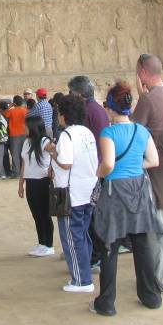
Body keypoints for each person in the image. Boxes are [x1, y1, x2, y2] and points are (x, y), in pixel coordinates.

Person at [91, 81, 162, 316]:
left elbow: (109, 164)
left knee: (109, 247)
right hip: (139, 189)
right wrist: (133, 166)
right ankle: (151, 296)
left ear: (111, 108)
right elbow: (153, 161)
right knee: (142, 244)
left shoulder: (108, 132)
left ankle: (107, 303)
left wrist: (99, 173)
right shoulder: (141, 131)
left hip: (115, 192)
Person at [130, 54, 163, 293]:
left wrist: (141, 98)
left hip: (155, 169)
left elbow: (133, 130)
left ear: (142, 72)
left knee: (159, 227)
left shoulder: (149, 100)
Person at [47, 95, 98, 293]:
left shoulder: (67, 135)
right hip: (88, 191)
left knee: (71, 237)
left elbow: (66, 163)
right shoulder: (87, 133)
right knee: (83, 235)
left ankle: (81, 280)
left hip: (71, 194)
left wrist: (52, 152)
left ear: (64, 115)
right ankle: (84, 274)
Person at [68, 75, 109, 268]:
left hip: (93, 169)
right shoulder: (97, 109)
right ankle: (95, 254)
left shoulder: (87, 111)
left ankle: (94, 256)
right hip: (97, 166)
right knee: (93, 215)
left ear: (79, 94)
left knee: (91, 216)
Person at [18, 115, 54, 257]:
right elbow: (24, 163)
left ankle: (49, 245)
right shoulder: (27, 142)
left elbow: (56, 151)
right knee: (36, 214)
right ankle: (41, 243)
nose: (23, 128)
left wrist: (52, 167)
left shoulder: (44, 141)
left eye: (25, 125)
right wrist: (21, 183)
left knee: (45, 213)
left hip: (43, 181)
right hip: (31, 182)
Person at [5, 95, 28, 177]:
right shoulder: (25, 110)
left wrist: (10, 107)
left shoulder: (11, 111)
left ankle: (16, 172)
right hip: (24, 134)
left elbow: (5, 115)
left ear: (14, 103)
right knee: (24, 153)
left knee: (15, 154)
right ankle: (24, 171)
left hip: (14, 135)